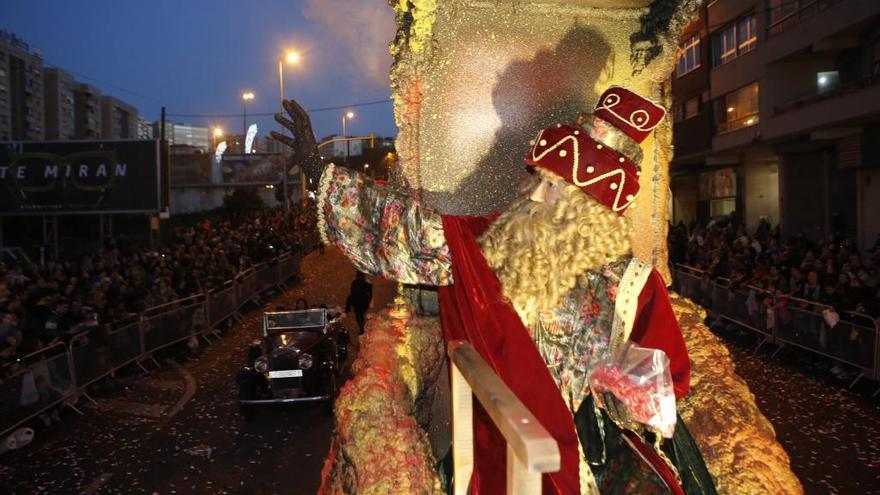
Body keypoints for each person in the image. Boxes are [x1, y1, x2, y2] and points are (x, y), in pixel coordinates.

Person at [273, 88, 715, 494]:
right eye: (537, 179)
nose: (536, 196)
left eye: (554, 186)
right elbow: (408, 231)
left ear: (591, 208)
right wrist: (320, 172)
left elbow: (669, 383)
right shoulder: (490, 246)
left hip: (593, 460)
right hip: (495, 445)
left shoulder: (635, 283)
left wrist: (622, 388)